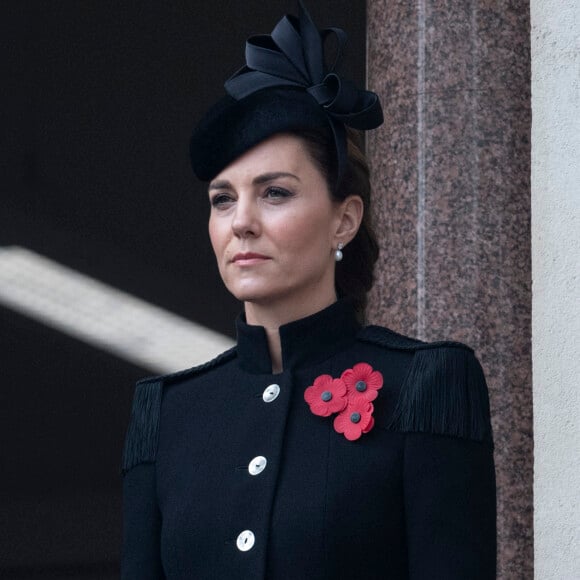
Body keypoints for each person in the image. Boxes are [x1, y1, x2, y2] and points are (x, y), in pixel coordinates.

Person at [121, 3, 496, 578]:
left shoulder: (428, 384)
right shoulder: (168, 413)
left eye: (275, 193)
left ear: (343, 220)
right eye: (223, 199)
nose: (241, 221)